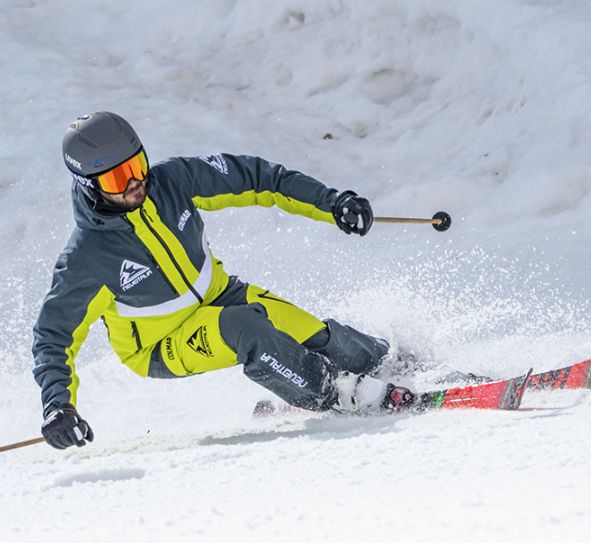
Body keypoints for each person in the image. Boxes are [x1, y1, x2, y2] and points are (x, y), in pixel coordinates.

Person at [33, 111, 415, 450]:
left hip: (219, 294)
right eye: (118, 178)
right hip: (161, 343)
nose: (136, 182)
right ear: (89, 185)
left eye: (138, 165)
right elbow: (53, 337)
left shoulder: (171, 182)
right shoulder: (87, 258)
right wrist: (58, 407)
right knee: (246, 328)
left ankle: (379, 360)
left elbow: (256, 178)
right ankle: (339, 393)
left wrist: (331, 202)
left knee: (313, 333)